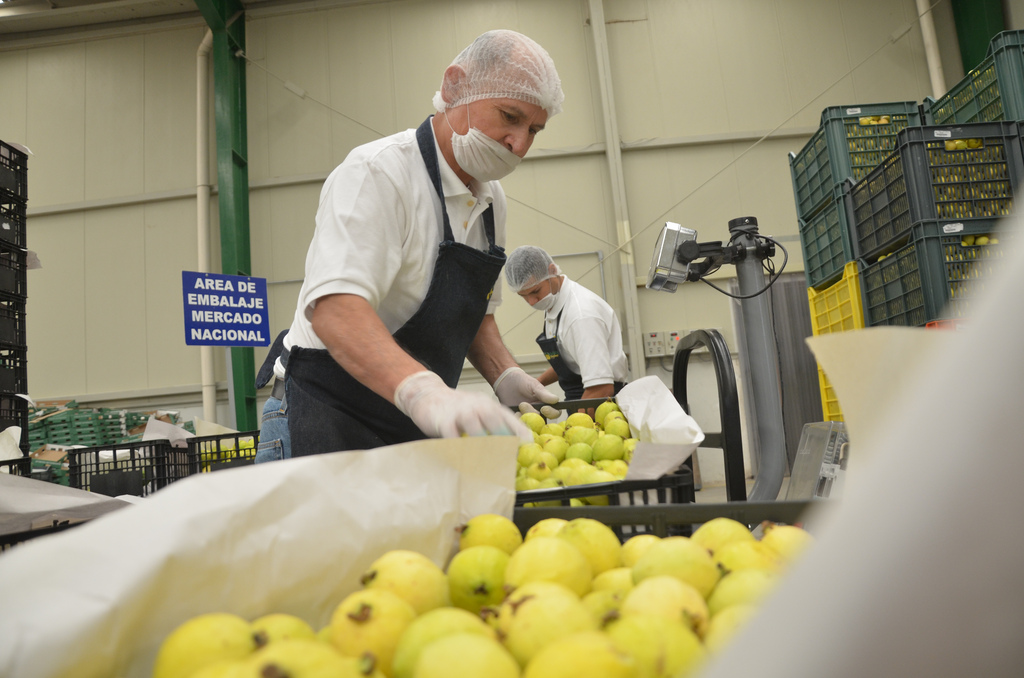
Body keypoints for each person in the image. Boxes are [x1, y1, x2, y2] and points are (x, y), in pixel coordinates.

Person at [255, 30, 563, 462]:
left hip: (404, 424)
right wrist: (423, 391)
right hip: (323, 416)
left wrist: (505, 374)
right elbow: (335, 310)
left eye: (534, 129)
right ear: (455, 87)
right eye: (509, 116)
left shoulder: (492, 201)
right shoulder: (378, 174)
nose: (521, 144)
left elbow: (471, 313)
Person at [504, 246, 630, 405]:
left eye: (535, 291)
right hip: (580, 398)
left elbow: (601, 388)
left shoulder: (581, 316)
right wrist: (537, 384)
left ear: (551, 271)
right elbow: (571, 362)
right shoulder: (555, 304)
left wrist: (575, 426)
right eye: (523, 296)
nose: (531, 302)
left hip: (601, 404)